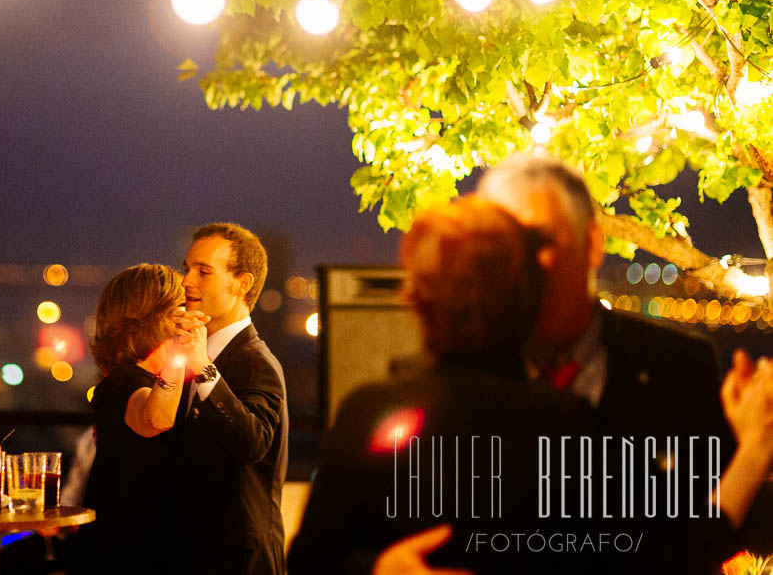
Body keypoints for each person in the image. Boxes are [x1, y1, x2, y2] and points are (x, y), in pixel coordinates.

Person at [477, 153, 770, 562]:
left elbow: (713, 534)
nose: (521, 261)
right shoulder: (466, 375)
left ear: (593, 243)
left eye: (538, 240)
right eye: (502, 244)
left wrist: (753, 445)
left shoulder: (679, 367)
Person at [287, 196, 594, 575]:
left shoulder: (370, 411)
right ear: (530, 297)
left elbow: (309, 563)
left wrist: (379, 569)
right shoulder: (571, 422)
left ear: (417, 299)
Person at [173, 222, 289, 575]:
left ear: (242, 283)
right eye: (187, 268)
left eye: (203, 271)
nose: (187, 282)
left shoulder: (257, 362)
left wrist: (204, 369)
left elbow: (252, 442)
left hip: (240, 561)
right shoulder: (191, 353)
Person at [76, 263, 206, 574]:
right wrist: (178, 354)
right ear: (156, 316)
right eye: (180, 307)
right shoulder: (121, 383)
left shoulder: (156, 379)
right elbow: (155, 419)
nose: (187, 314)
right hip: (126, 551)